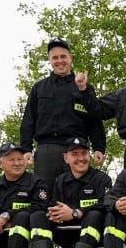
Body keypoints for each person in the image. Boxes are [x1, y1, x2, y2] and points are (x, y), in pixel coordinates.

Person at [20, 137, 112, 248]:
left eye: (84, 153)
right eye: (75, 154)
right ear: (66, 158)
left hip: (93, 238)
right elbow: (54, 205)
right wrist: (55, 214)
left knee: (94, 215)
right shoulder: (60, 181)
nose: (81, 158)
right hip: (66, 235)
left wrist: (76, 213)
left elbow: (108, 204)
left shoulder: (102, 179)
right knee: (37, 216)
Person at [21, 38, 106, 188]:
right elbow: (28, 120)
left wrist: (99, 147)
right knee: (44, 196)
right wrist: (26, 149)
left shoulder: (83, 87)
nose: (59, 61)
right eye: (55, 57)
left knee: (76, 194)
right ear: (49, 60)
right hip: (47, 151)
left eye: (63, 56)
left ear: (70, 58)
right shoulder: (39, 88)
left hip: (76, 150)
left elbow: (94, 119)